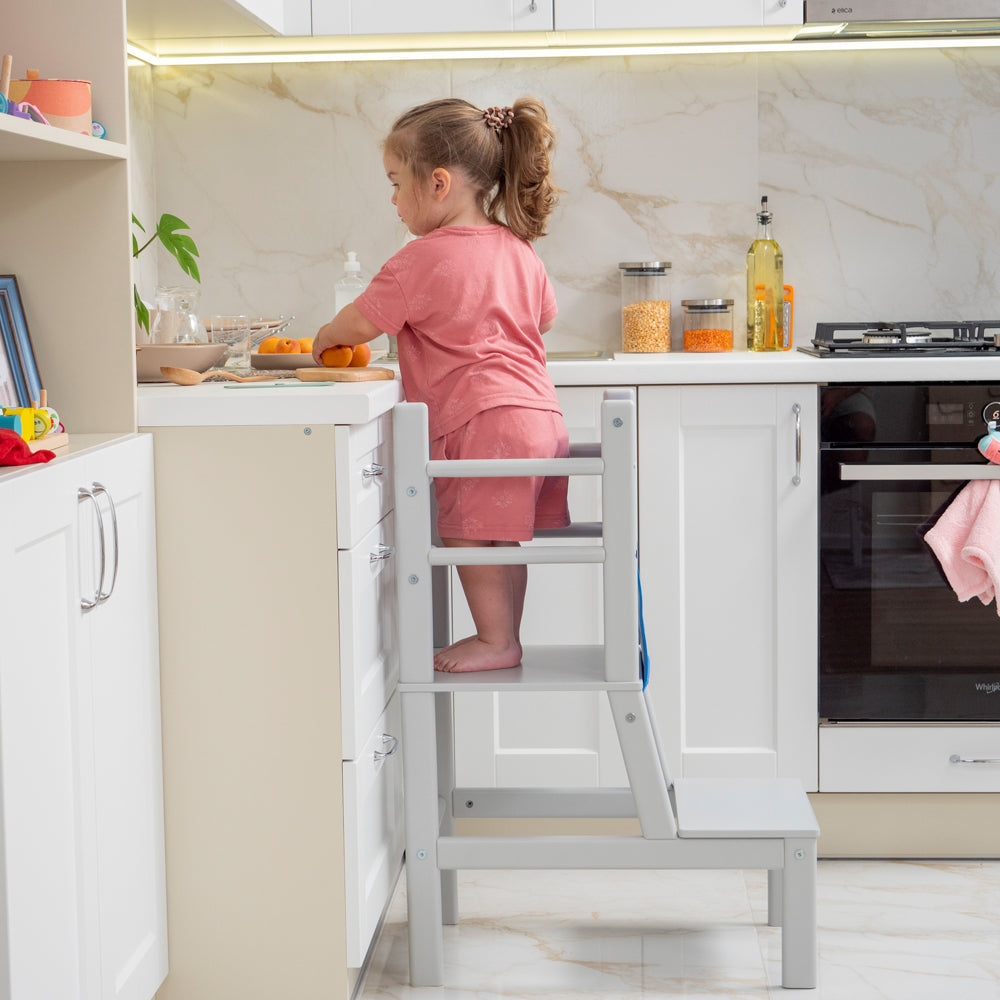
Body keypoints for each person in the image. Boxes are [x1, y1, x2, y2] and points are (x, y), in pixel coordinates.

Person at [312, 97, 569, 673]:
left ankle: (496, 640)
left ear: (437, 183)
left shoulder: (419, 258)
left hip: (481, 422)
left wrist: (323, 338)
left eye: (395, 183)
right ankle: (506, 635)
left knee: (469, 535)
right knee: (501, 536)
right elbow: (545, 319)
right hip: (540, 419)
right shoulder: (518, 247)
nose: (393, 201)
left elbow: (359, 324)